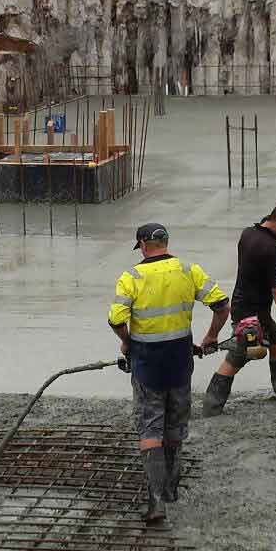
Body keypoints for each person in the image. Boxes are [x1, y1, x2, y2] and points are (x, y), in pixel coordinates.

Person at [107, 222, 230, 523]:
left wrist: (127, 343)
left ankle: (157, 502)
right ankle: (172, 488)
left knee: (150, 428)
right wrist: (211, 337)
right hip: (179, 360)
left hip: (147, 364)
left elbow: (115, 319)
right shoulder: (189, 271)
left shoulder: (131, 277)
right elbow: (222, 305)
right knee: (175, 425)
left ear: (143, 245)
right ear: (165, 243)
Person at [204, 202, 276, 415]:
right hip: (251, 313)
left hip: (247, 307)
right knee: (238, 357)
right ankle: (211, 408)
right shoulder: (273, 249)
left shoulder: (248, 234)